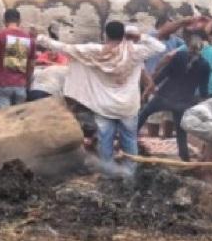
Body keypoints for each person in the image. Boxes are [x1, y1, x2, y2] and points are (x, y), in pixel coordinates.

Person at [38, 20, 168, 176]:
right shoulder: (135, 51)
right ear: (124, 35)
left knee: (105, 142)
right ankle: (130, 173)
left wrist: (40, 39)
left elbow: (65, 48)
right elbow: (160, 47)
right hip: (128, 108)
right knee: (129, 140)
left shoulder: (95, 51)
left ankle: (109, 175)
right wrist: (139, 36)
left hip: (103, 107)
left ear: (105, 35)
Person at [137, 36, 212, 161]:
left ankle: (126, 142)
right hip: (183, 101)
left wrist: (151, 87)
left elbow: (164, 73)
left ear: (188, 46)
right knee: (180, 131)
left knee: (143, 114)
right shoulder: (205, 65)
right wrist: (201, 101)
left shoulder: (179, 56)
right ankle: (184, 158)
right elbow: (203, 89)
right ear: (202, 49)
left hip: (164, 96)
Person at [0, 8, 36, 109]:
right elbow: (31, 65)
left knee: (3, 122)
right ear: (19, 21)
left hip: (1, 86)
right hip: (20, 86)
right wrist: (27, 84)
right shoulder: (29, 39)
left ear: (4, 21)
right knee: (19, 121)